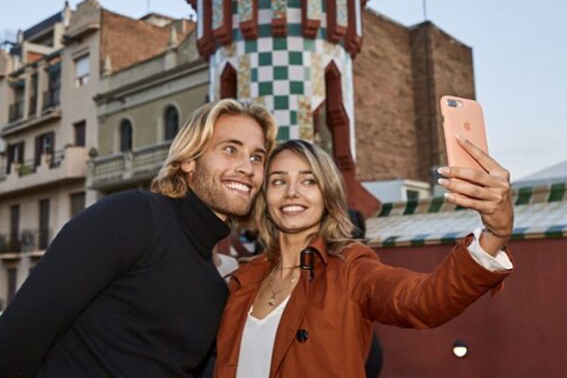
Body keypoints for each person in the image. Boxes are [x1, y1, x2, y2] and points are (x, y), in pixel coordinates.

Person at [0, 99, 277, 377]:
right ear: (189, 160)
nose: (246, 168)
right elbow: (12, 343)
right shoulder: (133, 217)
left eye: (257, 157)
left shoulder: (214, 286)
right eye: (230, 149)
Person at [214, 138, 514, 377]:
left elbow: (424, 300)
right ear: (265, 197)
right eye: (278, 181)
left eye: (308, 181)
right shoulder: (244, 280)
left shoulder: (351, 269)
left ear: (328, 194)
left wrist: (495, 233)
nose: (292, 191)